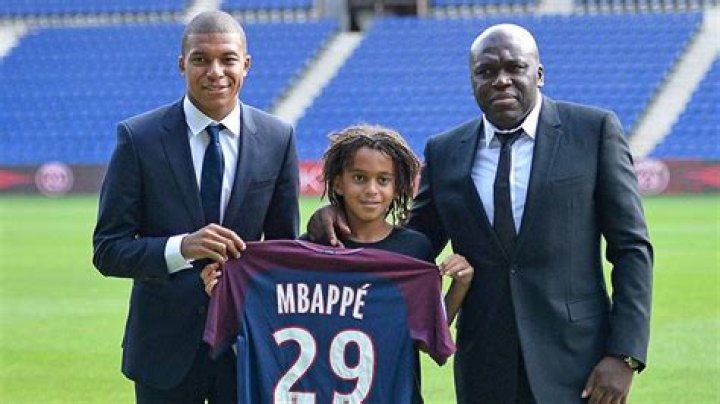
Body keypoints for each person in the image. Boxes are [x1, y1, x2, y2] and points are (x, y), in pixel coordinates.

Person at [308, 24, 653, 403]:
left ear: (539, 73)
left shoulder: (593, 131)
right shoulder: (445, 151)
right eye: (486, 71)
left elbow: (631, 248)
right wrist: (339, 217)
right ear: (472, 80)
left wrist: (624, 354)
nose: (501, 80)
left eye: (514, 67)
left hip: (578, 362)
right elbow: (407, 246)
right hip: (485, 365)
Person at [92, 11, 299, 403]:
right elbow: (108, 250)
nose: (215, 71)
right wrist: (182, 248)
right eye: (201, 59)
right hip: (162, 351)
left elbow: (282, 253)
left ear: (246, 65)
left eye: (228, 59)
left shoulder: (278, 138)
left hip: (246, 347)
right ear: (182, 64)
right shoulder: (138, 138)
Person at [202, 124, 474, 402]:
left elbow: (430, 338)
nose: (371, 190)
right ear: (338, 183)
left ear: (398, 186)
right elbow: (261, 324)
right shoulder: (307, 251)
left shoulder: (413, 250)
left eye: (383, 180)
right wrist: (224, 289)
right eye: (359, 178)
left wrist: (460, 286)